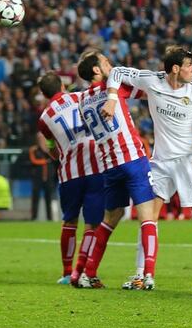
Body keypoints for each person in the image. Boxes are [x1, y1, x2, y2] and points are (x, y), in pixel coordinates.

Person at [104, 46, 192, 291]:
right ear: (175, 69)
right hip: (160, 162)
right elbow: (115, 72)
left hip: (191, 161)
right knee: (147, 217)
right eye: (189, 65)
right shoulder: (152, 80)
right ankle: (140, 275)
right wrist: (112, 99)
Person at [76, 50, 161, 291]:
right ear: (96, 70)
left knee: (109, 219)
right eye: (105, 62)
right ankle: (148, 274)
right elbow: (148, 91)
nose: (110, 65)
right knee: (148, 216)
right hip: (132, 158)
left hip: (108, 165)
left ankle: (88, 273)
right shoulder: (113, 87)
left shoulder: (82, 100)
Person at [36, 72, 110, 288]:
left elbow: (52, 149)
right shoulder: (80, 97)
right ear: (62, 85)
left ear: (43, 93)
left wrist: (62, 155)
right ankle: (83, 270)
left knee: (69, 221)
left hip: (69, 173)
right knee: (92, 224)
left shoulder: (44, 119)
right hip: (95, 166)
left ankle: (68, 272)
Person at [28, 136, 56, 221]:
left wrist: (46, 150)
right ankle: (34, 217)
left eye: (43, 138)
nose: (42, 140)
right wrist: (45, 162)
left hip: (48, 177)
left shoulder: (49, 150)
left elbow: (54, 158)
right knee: (35, 197)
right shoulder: (33, 149)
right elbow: (33, 160)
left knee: (48, 197)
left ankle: (49, 217)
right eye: (40, 138)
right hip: (37, 177)